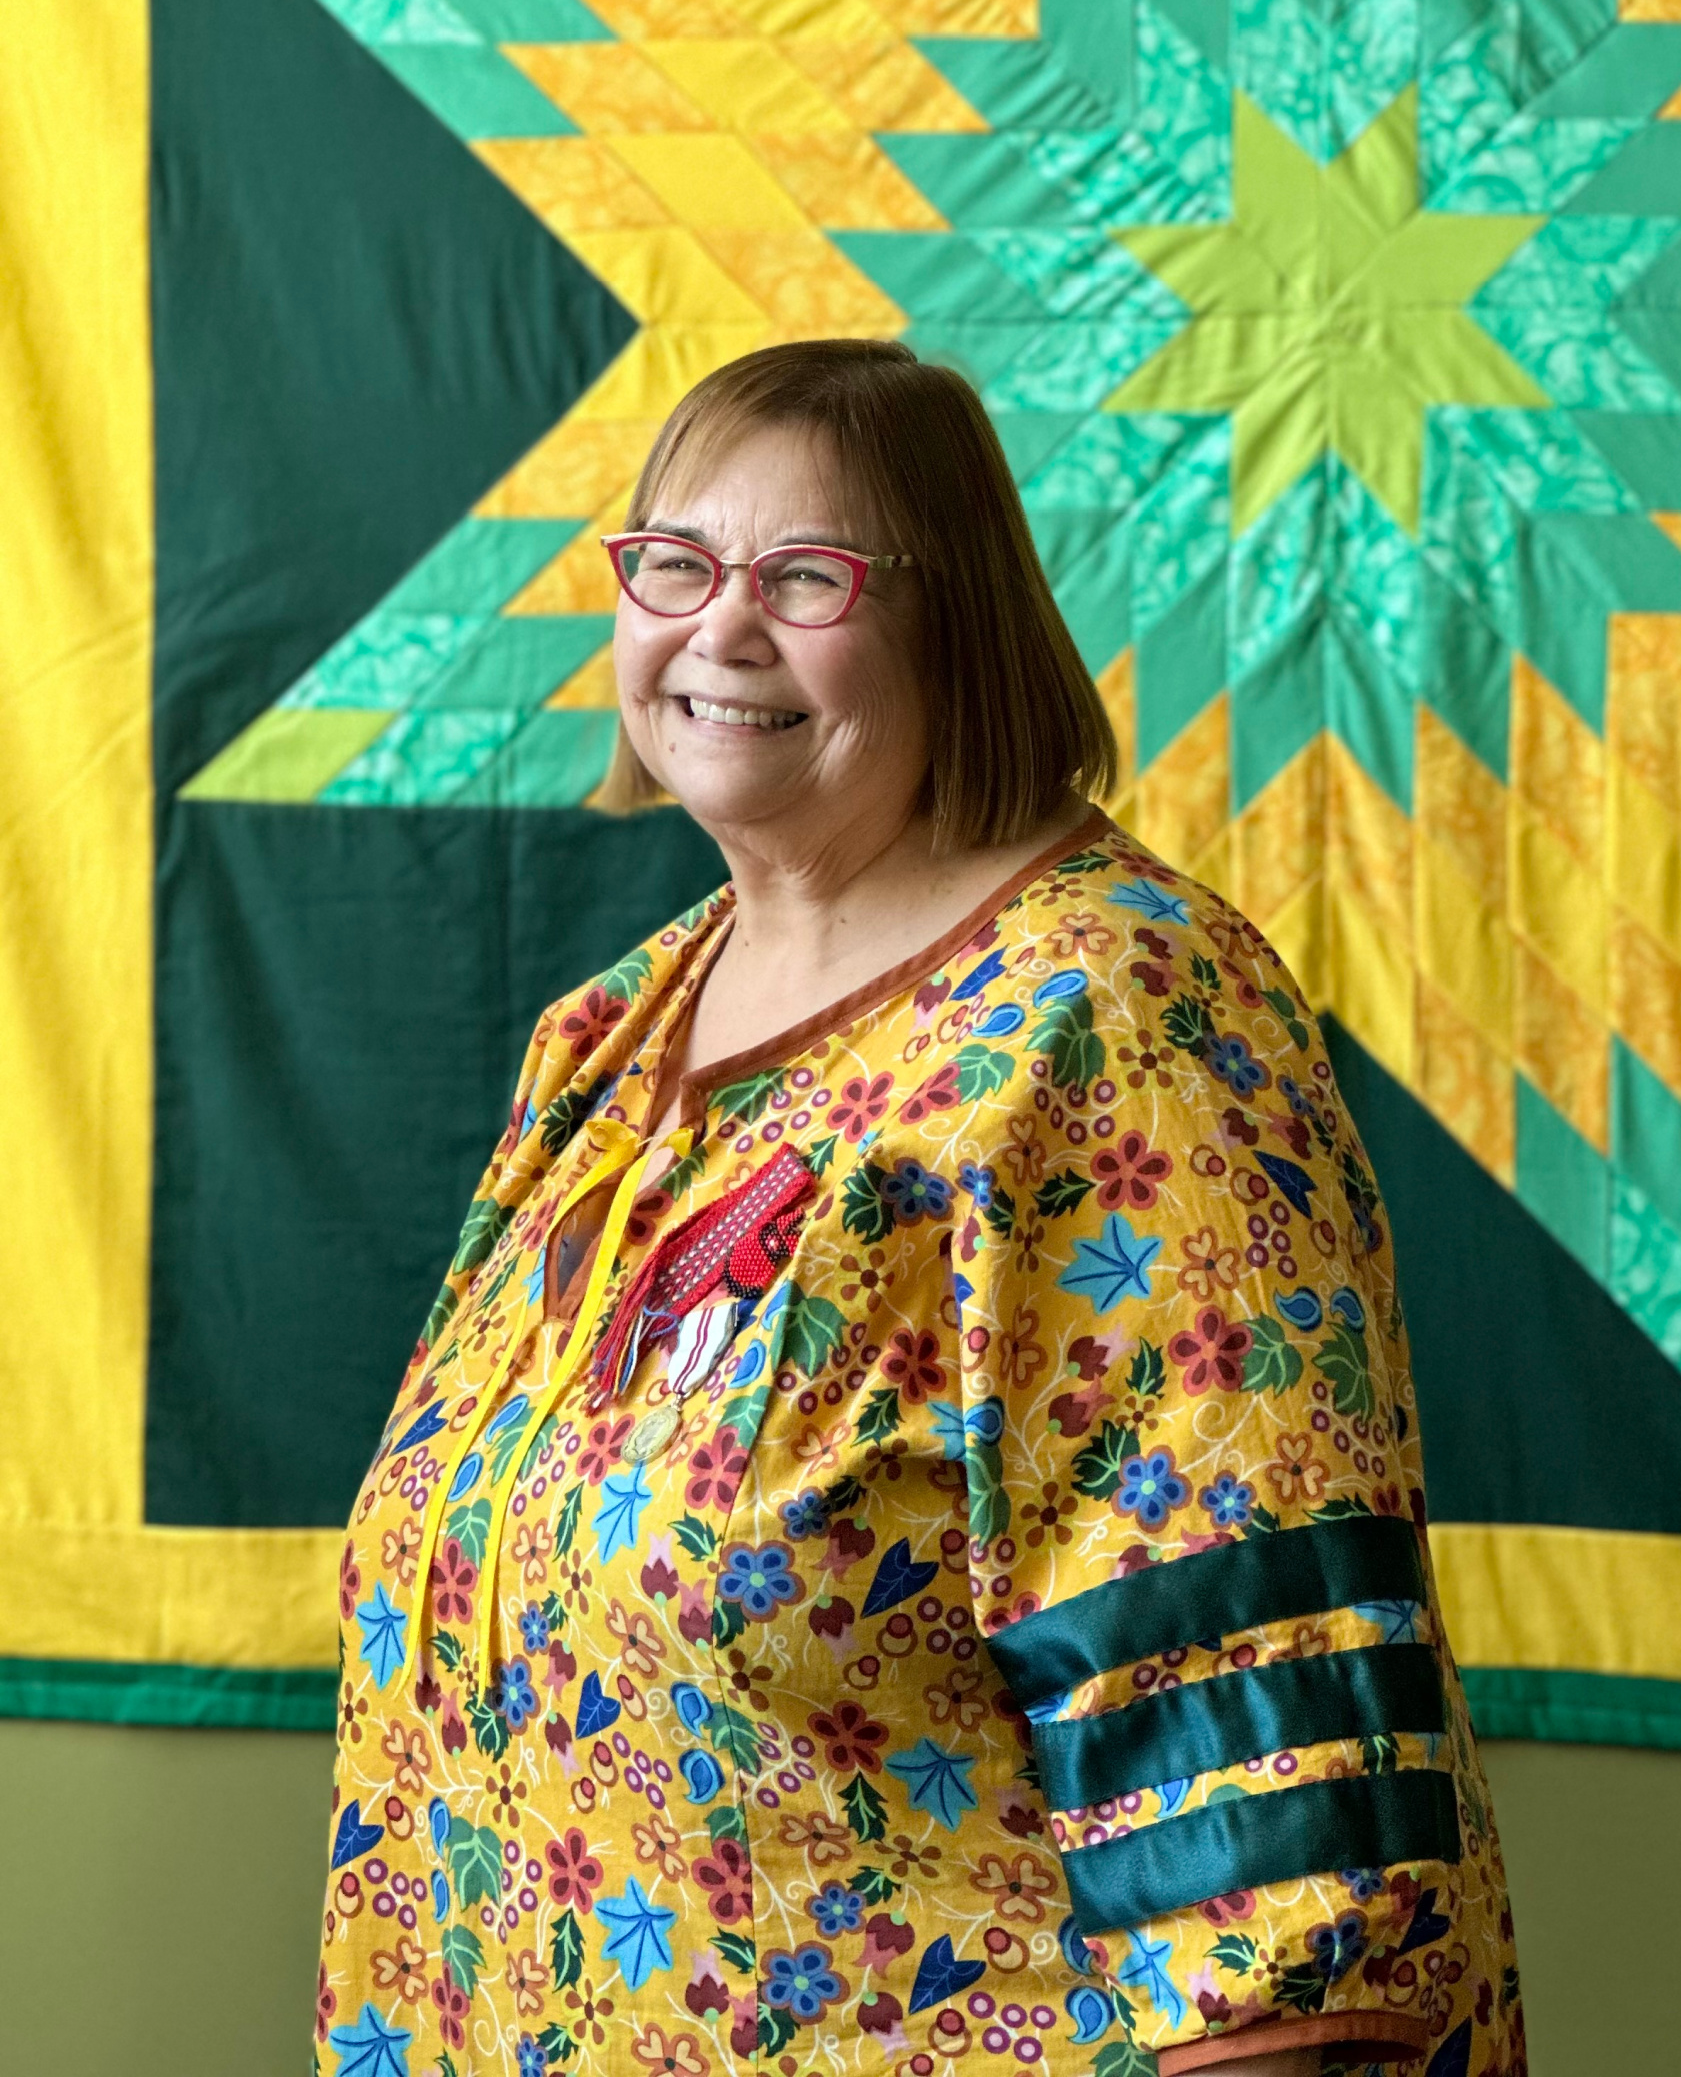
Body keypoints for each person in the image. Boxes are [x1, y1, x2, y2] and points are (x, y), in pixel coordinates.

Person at [317, 339, 1524, 2077]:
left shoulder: (1110, 1025)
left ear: (951, 627)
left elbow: (1259, 1758)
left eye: (809, 578)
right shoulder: (611, 1036)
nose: (720, 629)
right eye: (675, 562)